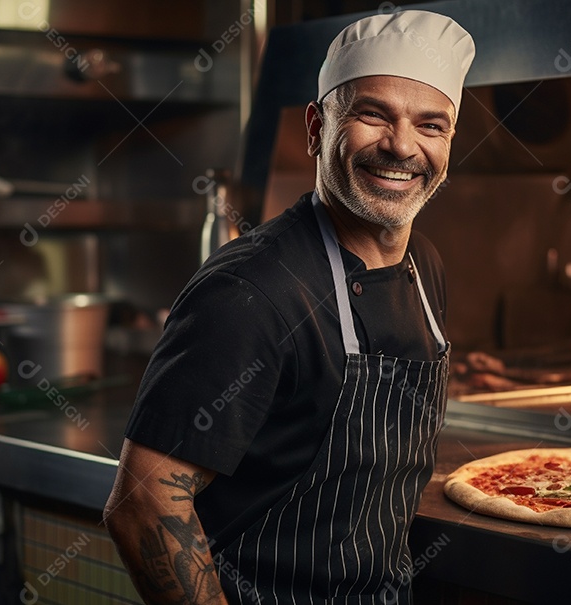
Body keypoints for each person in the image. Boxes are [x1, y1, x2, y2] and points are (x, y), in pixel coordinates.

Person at [104, 9, 475, 604]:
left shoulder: (422, 265)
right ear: (316, 127)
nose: (402, 146)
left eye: (430, 125)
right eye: (372, 114)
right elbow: (143, 501)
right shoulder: (250, 290)